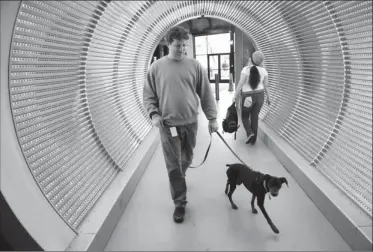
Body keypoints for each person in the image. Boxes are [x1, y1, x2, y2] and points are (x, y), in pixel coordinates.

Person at [143, 26, 219, 223]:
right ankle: (179, 202)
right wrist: (154, 114)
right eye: (177, 45)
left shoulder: (195, 65)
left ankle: (180, 177)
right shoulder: (156, 68)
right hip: (168, 126)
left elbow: (205, 93)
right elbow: (149, 96)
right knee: (173, 165)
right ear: (168, 44)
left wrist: (212, 118)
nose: (181, 49)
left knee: (187, 158)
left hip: (190, 123)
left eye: (185, 45)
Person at [233, 51, 271, 145]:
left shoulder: (246, 70)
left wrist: (235, 95)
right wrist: (269, 97)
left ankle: (250, 133)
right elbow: (266, 85)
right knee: (255, 117)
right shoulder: (264, 71)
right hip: (260, 96)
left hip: (248, 97)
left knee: (245, 116)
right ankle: (253, 140)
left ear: (252, 59)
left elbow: (241, 84)